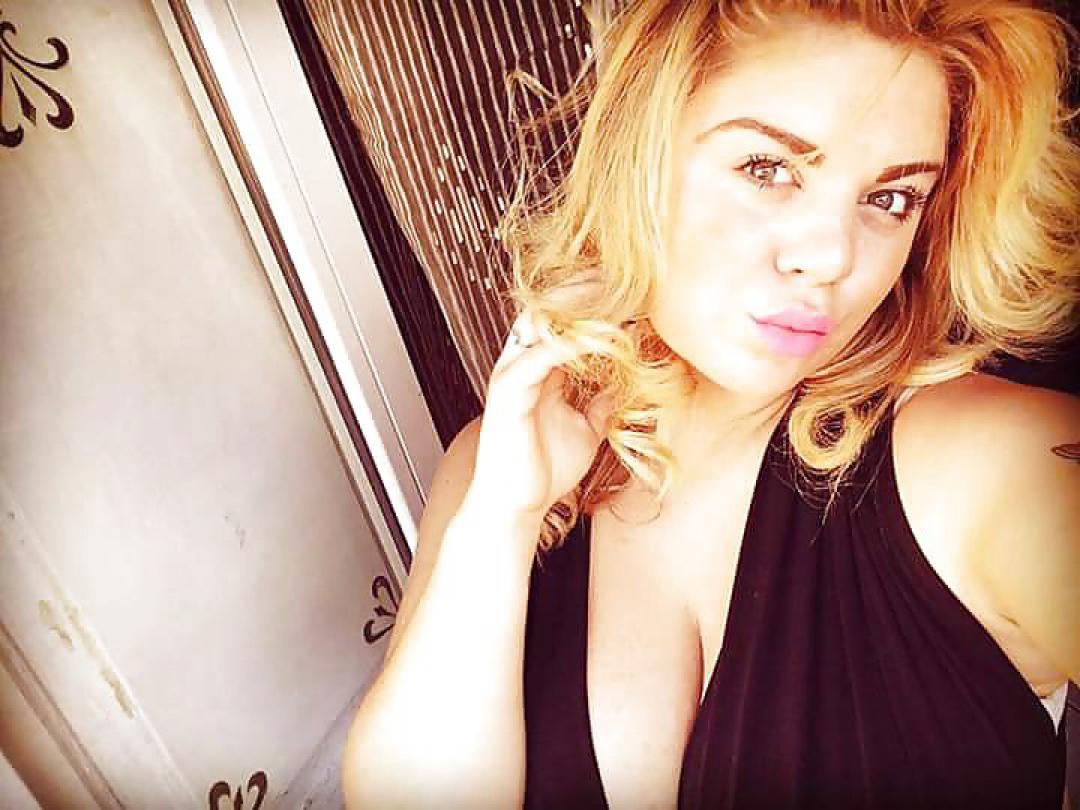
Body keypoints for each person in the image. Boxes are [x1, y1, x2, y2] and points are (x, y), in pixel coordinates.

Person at [342, 1, 1080, 807]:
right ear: (637, 158)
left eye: (891, 198)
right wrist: (503, 522)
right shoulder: (499, 465)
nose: (831, 256)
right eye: (768, 169)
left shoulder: (998, 465)